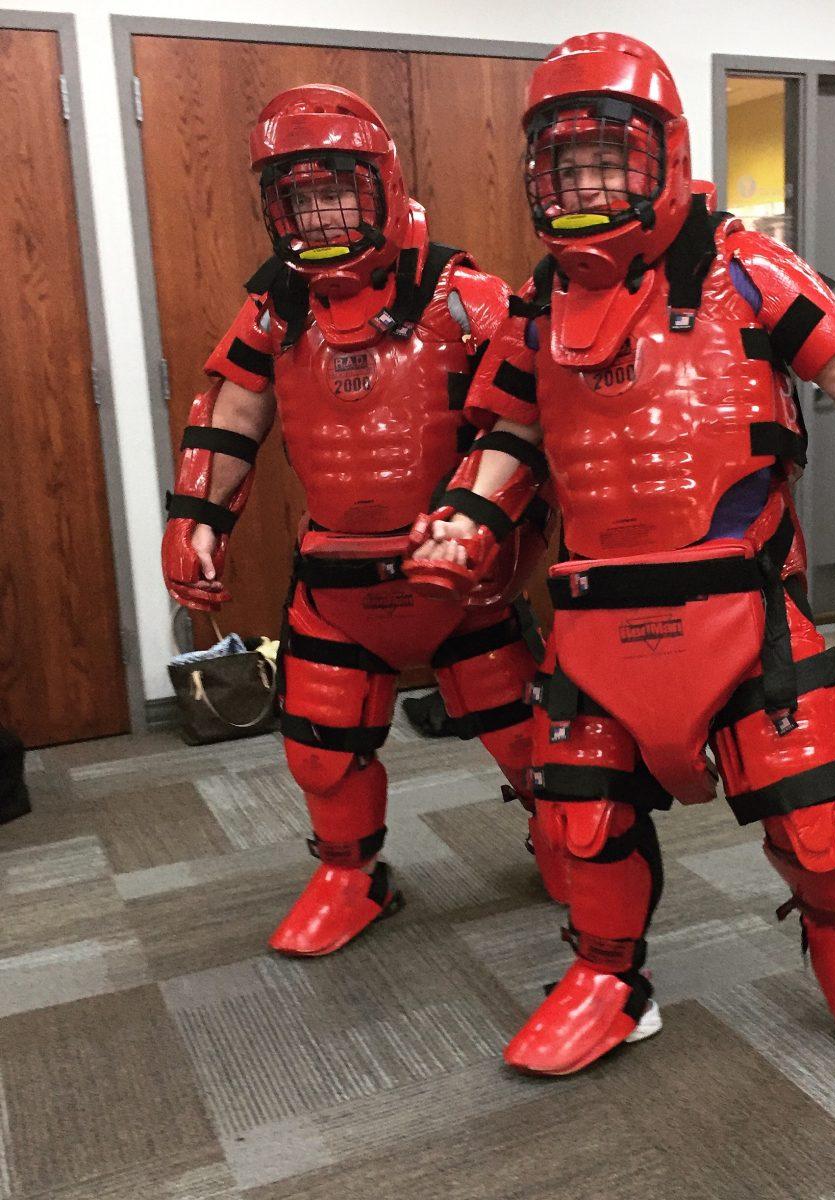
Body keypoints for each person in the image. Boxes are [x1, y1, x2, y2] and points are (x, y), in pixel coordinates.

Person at [409, 32, 835, 1075]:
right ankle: (608, 980)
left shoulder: (748, 268)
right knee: (579, 825)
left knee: (819, 828)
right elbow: (509, 440)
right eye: (566, 165)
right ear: (538, 174)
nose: (589, 183)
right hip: (597, 614)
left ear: (664, 153)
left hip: (745, 604)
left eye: (609, 158)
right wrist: (468, 523)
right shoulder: (535, 309)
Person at [162, 85, 562, 957]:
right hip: (336, 581)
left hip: (460, 579)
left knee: (528, 745)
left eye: (335, 190)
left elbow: (528, 418)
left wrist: (499, 533)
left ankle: (567, 843)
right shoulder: (278, 304)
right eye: (297, 197)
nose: (319, 213)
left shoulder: (465, 294)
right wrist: (196, 518)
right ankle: (351, 875)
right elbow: (229, 412)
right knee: (319, 749)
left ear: (381, 181)